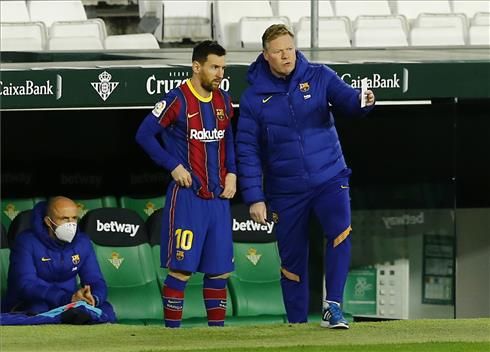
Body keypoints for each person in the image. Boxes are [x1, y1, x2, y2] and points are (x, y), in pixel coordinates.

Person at [236, 24, 376, 329]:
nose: (286, 55)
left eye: (289, 48)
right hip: (285, 191)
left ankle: (333, 307)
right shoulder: (252, 99)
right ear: (266, 55)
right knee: (292, 259)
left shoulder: (320, 75)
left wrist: (363, 101)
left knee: (340, 233)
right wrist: (255, 198)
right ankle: (297, 325)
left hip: (330, 176)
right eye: (278, 51)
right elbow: (246, 151)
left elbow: (349, 100)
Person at [135, 40, 236, 328]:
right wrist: (173, 166)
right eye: (214, 67)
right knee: (181, 270)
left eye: (223, 68)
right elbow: (143, 135)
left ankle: (217, 338)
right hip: (188, 198)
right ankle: (172, 335)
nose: (220, 73)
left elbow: (227, 138)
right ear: (196, 67)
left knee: (219, 272)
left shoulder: (224, 101)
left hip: (219, 198)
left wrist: (233, 173)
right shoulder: (177, 100)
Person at [4, 196, 116, 323]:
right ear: (48, 221)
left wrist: (93, 298)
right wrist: (68, 298)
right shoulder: (26, 241)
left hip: (69, 304)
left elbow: (95, 280)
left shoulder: (83, 242)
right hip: (30, 304)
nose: (71, 224)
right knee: (38, 308)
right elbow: (26, 285)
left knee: (105, 308)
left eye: (74, 218)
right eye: (64, 218)